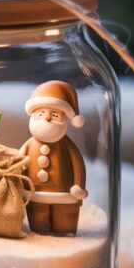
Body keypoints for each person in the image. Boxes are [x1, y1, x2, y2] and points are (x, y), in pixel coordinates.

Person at [20, 80, 88, 235]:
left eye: (55, 114)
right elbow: (18, 161)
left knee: (65, 224)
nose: (47, 119)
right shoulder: (29, 145)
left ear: (65, 119)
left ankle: (65, 229)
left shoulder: (67, 146)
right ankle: (40, 231)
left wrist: (78, 185)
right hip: (35, 194)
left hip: (65, 194)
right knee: (38, 225)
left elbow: (77, 163)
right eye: (41, 113)